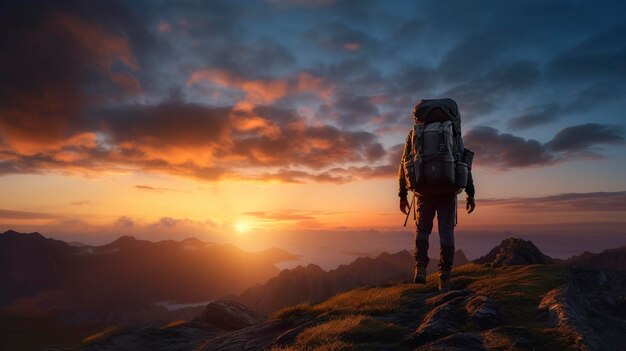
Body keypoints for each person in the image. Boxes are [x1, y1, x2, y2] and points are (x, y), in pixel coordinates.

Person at [398, 98, 476, 292]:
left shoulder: (415, 133)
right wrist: (470, 193)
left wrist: (402, 195)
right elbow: (463, 164)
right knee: (446, 232)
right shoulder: (452, 131)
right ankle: (444, 275)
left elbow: (403, 164)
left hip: (423, 190)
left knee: (422, 230)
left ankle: (420, 270)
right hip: (447, 188)